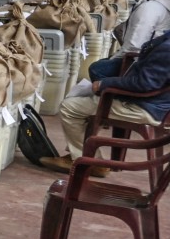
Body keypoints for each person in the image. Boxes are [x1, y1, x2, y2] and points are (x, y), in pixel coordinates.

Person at [42, 27, 170, 174]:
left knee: (70, 107)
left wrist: (106, 84)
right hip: (155, 104)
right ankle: (85, 155)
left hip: (144, 107)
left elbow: (144, 84)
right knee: (92, 83)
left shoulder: (167, 49)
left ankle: (86, 161)